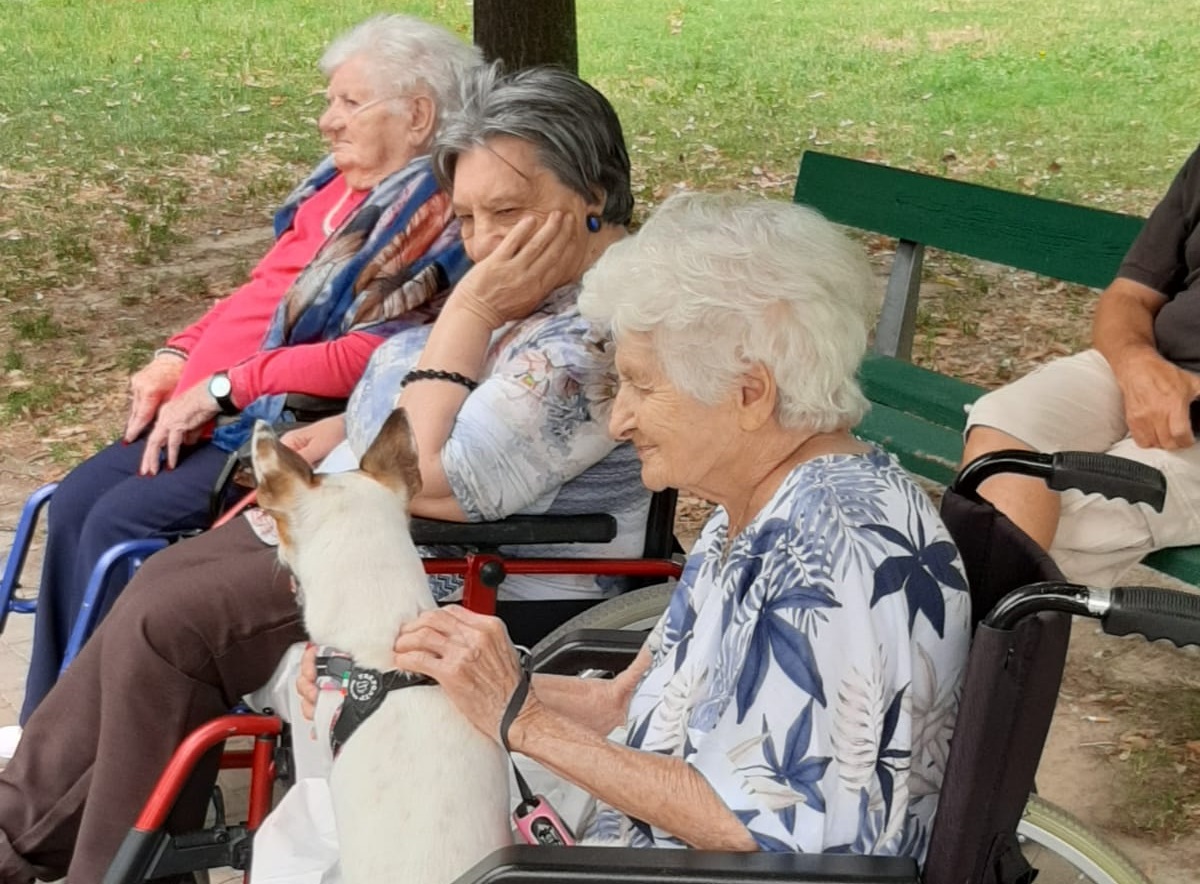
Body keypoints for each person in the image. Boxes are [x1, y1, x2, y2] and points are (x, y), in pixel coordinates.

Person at [0, 64, 649, 883]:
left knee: (175, 620)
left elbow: (442, 474)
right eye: (470, 219)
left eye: (510, 214)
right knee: (160, 587)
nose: (483, 244)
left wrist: (470, 310)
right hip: (376, 536)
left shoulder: (588, 337)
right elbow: (412, 402)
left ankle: (90, 865)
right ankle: (21, 836)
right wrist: (349, 427)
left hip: (471, 576)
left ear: (596, 192)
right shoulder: (534, 295)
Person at [372, 192, 972, 858]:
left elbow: (752, 827)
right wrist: (430, 677)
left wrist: (521, 719)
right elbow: (626, 704)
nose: (619, 419)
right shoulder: (757, 509)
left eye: (642, 386)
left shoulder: (829, 554)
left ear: (750, 394)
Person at [17, 13, 481, 724]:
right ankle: (49, 725)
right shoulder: (337, 193)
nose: (328, 121)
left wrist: (229, 385)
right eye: (330, 100)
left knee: (115, 523)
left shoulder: (430, 213)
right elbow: (254, 295)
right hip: (206, 409)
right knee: (76, 503)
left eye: (350, 103)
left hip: (267, 425)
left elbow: (376, 351)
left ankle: (103, 735)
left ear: (418, 116)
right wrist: (178, 353)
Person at [961, 144, 1200, 587]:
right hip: (1138, 363)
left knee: (1042, 530)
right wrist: (1136, 364)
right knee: (1000, 435)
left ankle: (965, 650)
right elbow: (1129, 295)